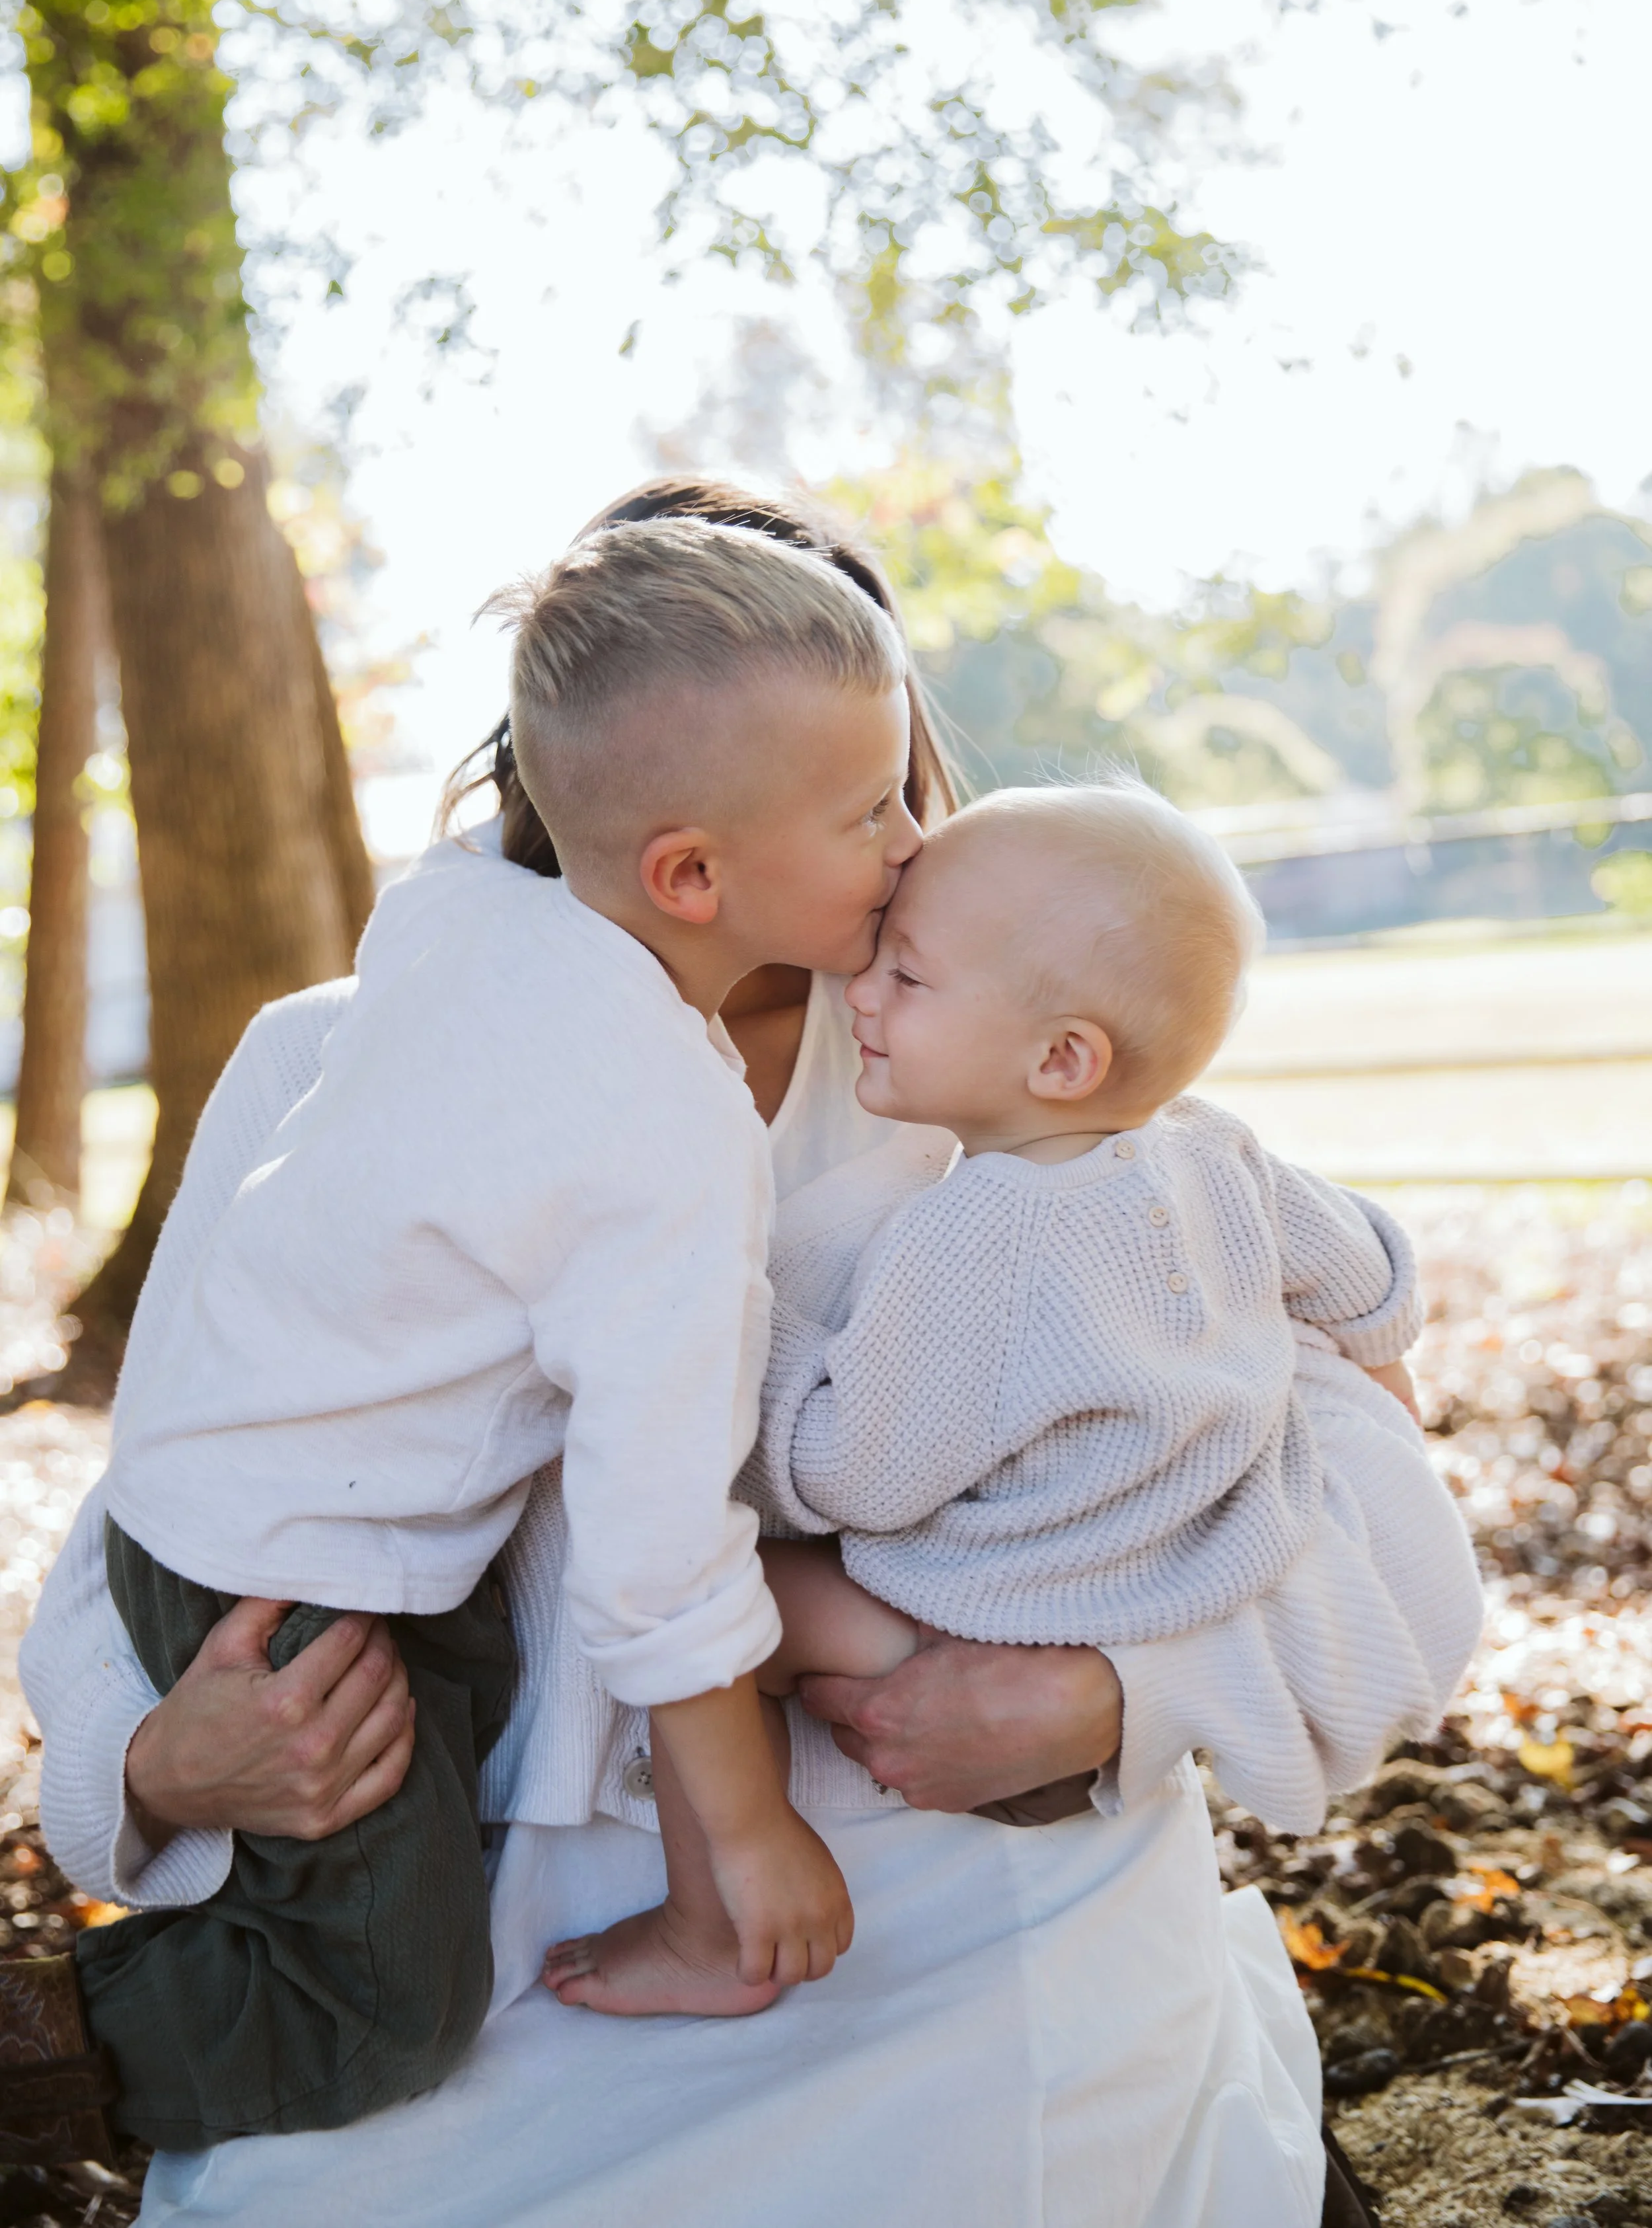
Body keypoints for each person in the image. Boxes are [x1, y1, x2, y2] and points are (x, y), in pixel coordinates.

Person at [15, 477, 1467, 2225]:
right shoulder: (351, 1057)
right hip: (515, 1922)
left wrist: (1099, 1699)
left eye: (892, 780)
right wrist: (154, 1768)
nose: (901, 842)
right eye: (848, 801)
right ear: (662, 819)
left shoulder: (1022, 1069)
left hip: (960, 1898)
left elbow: (1381, 1514)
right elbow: (162, 1503)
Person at [5, 515, 922, 2155]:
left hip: (266, 1520)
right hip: (280, 1588)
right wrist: (751, 1840)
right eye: (869, 810)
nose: (912, 836)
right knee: (371, 2005)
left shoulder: (459, 926)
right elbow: (655, 1551)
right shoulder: (663, 1130)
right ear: (692, 874)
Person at [542, 777, 1480, 2015]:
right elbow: (1362, 1268)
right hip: (1172, 1592)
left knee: (712, 1597)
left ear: (1060, 1057)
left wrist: (741, 1343)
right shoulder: (1211, 1147)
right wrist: (1385, 1367)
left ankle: (717, 1920)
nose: (865, 993)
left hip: (984, 1643)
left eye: (909, 980)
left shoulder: (976, 1237)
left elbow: (845, 1471)